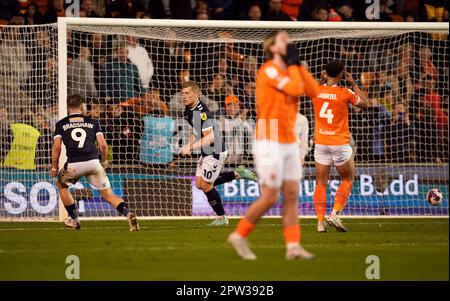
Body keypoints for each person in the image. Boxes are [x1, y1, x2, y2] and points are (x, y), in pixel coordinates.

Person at [227, 31, 319, 260]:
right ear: (273, 48)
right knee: (270, 197)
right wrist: (297, 66)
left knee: (291, 195)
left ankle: (293, 247)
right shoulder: (268, 69)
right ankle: (239, 235)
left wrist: (297, 64)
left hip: (289, 140)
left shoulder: (292, 70)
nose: (289, 42)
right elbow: (297, 90)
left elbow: (315, 92)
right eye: (284, 40)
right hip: (268, 138)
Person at [49, 95, 139, 231]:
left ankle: (74, 220)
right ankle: (128, 214)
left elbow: (56, 147)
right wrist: (104, 161)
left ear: (68, 108)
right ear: (82, 107)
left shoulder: (61, 124)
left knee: (62, 186)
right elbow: (103, 145)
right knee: (108, 194)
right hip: (93, 162)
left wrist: (54, 167)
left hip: (74, 164)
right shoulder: (93, 122)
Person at [179, 81, 257, 226]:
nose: (184, 96)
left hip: (215, 151)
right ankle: (238, 173)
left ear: (196, 94)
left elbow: (210, 137)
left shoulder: (202, 113)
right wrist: (189, 144)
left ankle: (222, 218)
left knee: (206, 186)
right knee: (199, 184)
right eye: (182, 93)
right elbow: (194, 129)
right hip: (206, 151)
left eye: (187, 93)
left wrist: (190, 148)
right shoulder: (188, 109)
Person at [312, 60, 368, 233]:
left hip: (321, 142)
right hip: (339, 143)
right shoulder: (345, 92)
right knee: (348, 179)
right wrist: (353, 83)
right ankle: (335, 213)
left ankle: (320, 223)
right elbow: (364, 104)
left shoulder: (316, 90)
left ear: (325, 73)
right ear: (342, 74)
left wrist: (321, 81)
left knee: (321, 183)